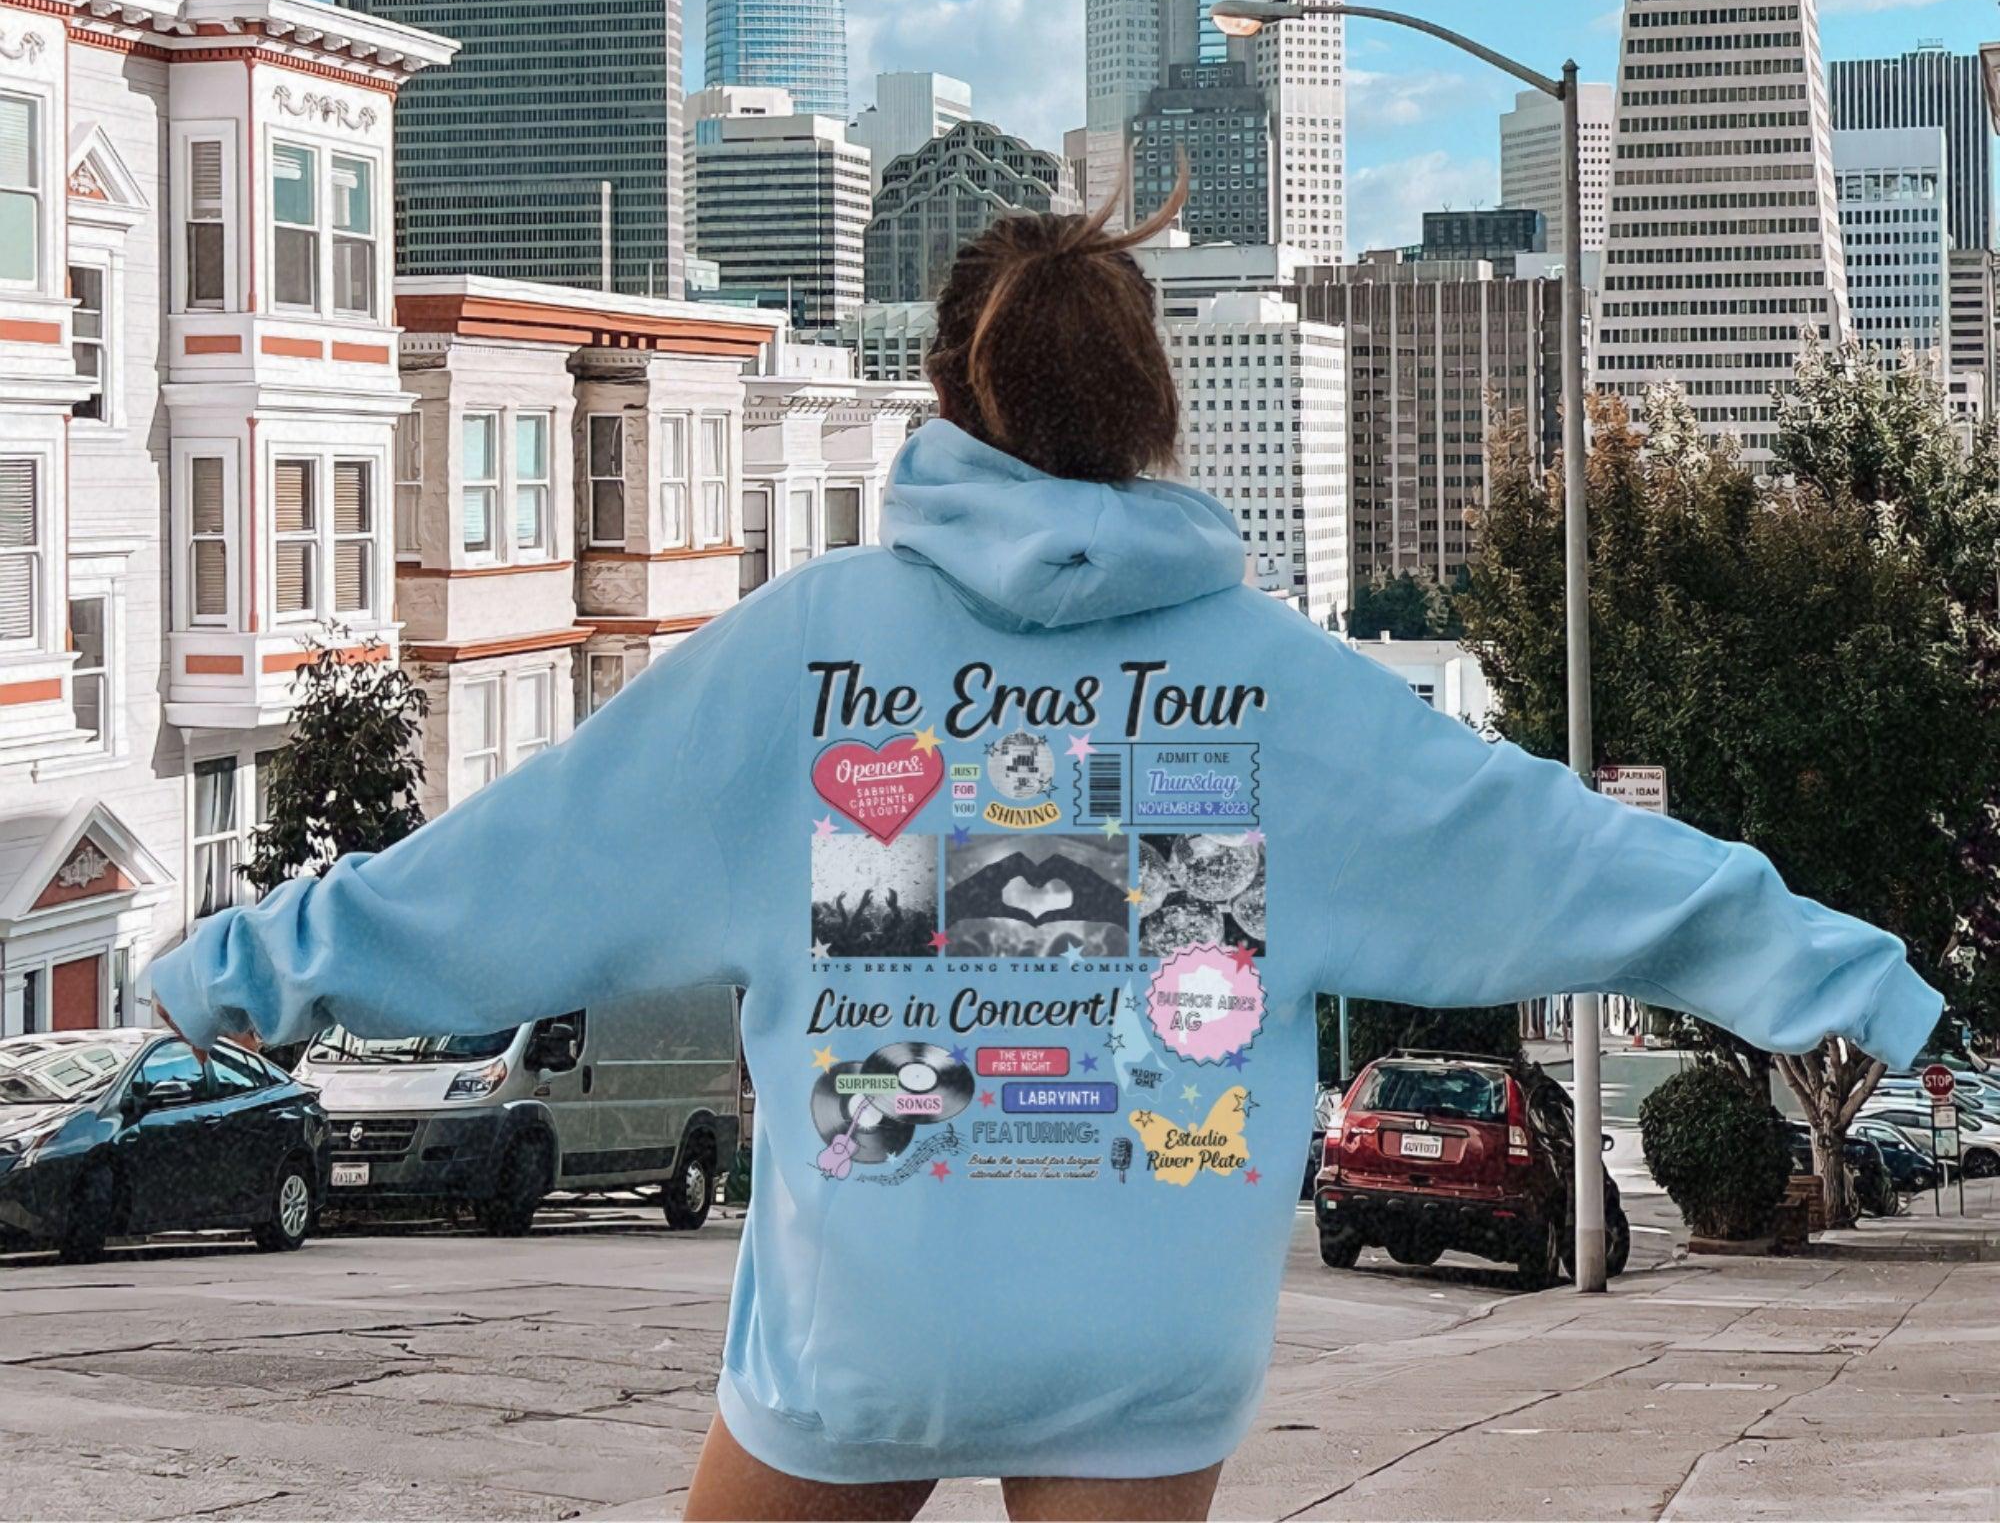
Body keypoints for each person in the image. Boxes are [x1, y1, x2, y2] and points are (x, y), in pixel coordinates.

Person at [152, 180, 1941, 1522]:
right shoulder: (1286, 688)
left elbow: (513, 869)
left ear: (944, 393)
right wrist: (1857, 977)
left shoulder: (801, 649)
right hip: (1145, 1341)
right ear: (1154, 407)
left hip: (870, 1321)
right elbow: (1572, 857)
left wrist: (232, 968)